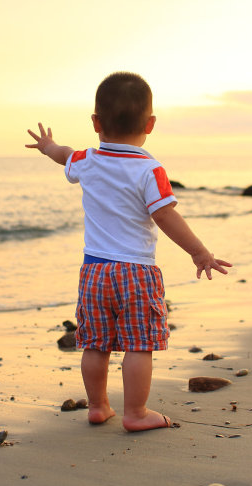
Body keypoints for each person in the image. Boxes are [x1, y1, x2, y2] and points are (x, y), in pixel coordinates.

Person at [26, 72, 231, 431]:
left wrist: (47, 146)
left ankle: (97, 406)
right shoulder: (150, 169)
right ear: (150, 124)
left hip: (94, 272)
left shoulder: (87, 159)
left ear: (95, 123)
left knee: (95, 344)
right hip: (136, 272)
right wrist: (199, 252)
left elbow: (63, 155)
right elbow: (165, 214)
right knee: (139, 345)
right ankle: (135, 413)